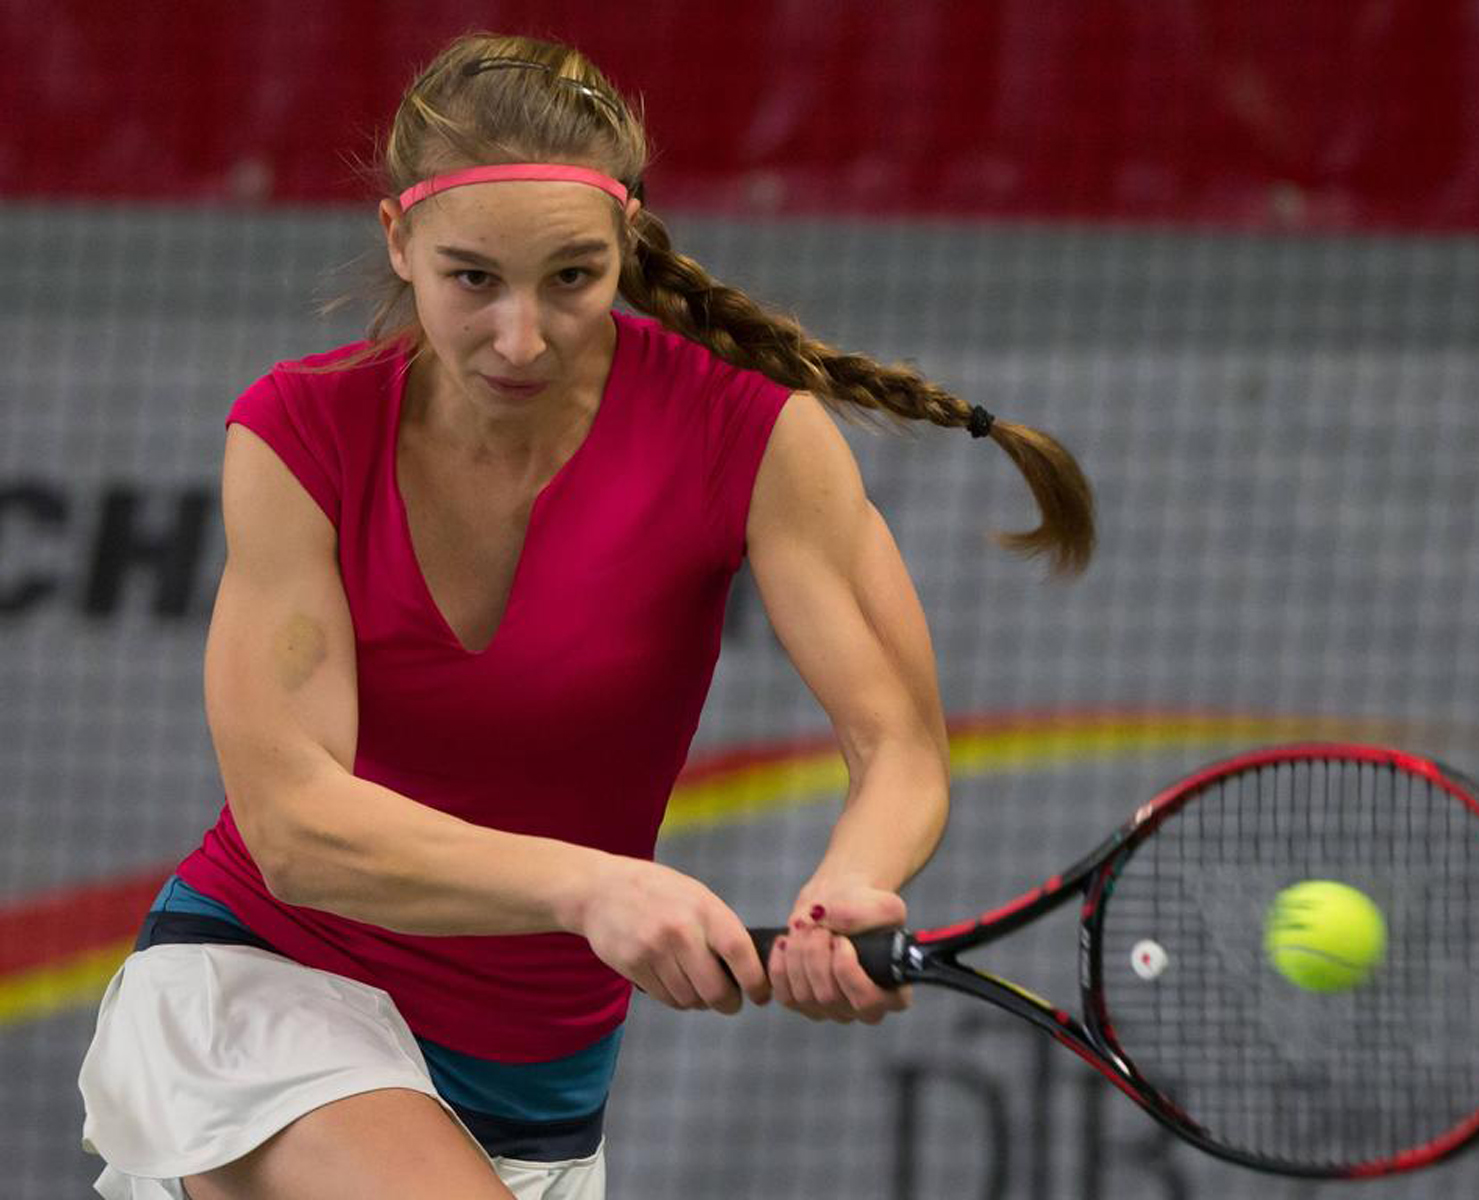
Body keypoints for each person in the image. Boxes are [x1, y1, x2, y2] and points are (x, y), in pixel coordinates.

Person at [77, 31, 1095, 1200]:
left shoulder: (751, 433)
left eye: (571, 278)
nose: (522, 338)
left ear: (627, 241)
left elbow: (900, 745)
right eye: (473, 279)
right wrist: (589, 886)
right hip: (273, 992)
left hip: (539, 1094)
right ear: (399, 239)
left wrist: (845, 890)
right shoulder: (297, 432)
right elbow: (295, 832)